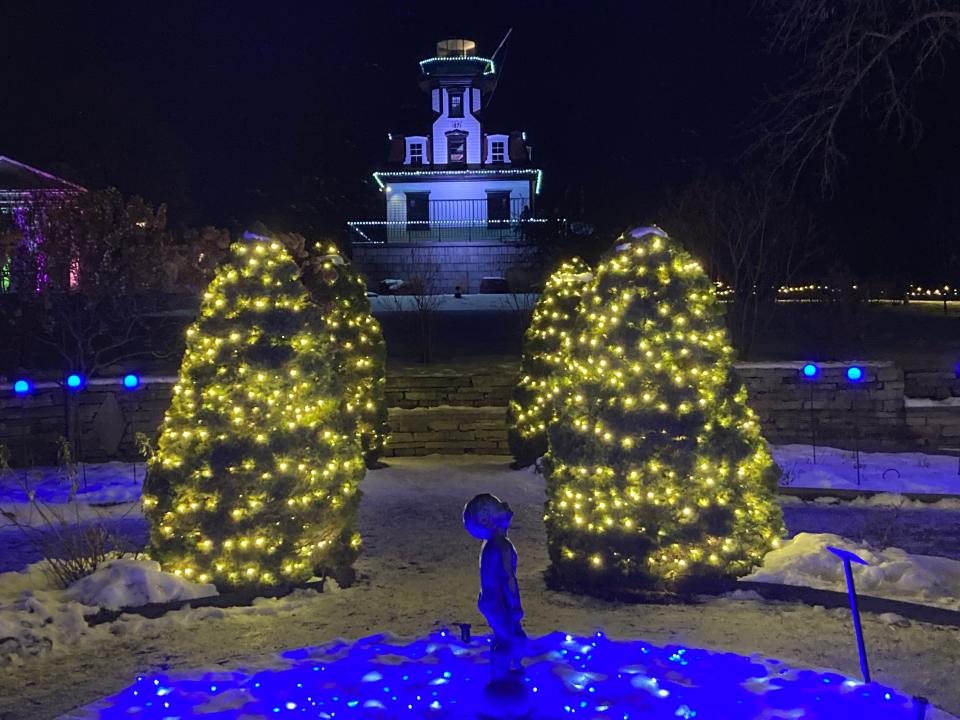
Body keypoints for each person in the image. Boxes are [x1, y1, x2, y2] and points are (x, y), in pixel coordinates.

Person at [463, 493, 526, 681]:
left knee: (504, 635)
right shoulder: (502, 546)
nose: (505, 504)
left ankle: (505, 672)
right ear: (486, 520)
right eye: (498, 506)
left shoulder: (491, 544)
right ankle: (501, 678)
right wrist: (515, 605)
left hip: (489, 600)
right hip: (498, 600)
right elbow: (508, 578)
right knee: (507, 638)